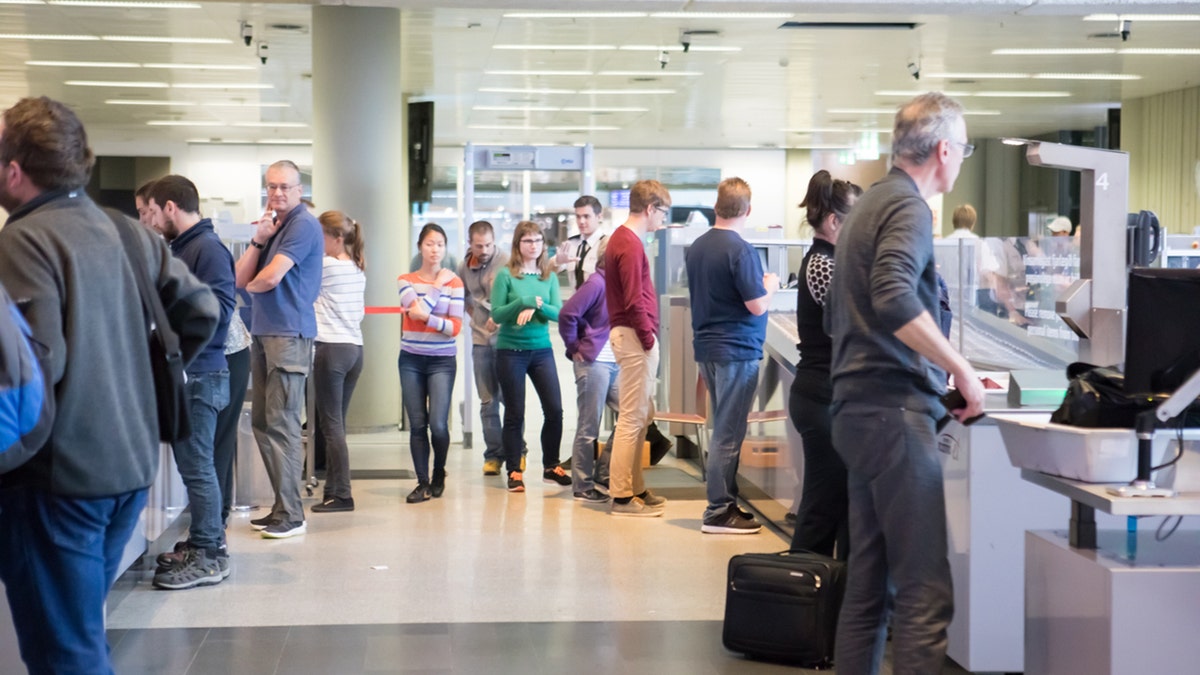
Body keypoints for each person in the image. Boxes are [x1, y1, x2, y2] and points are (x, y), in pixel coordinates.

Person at [0, 96, 218, 673]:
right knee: (80, 632)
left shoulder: (22, 242)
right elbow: (201, 310)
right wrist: (135, 379)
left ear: (15, 170)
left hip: (57, 479)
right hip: (128, 465)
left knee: (65, 653)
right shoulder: (128, 232)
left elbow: (34, 371)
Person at [826, 92, 986, 674]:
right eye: (963, 148)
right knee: (925, 590)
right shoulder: (910, 208)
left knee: (871, 588)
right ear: (944, 150)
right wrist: (961, 369)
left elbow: (845, 312)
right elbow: (893, 292)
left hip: (856, 413)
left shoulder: (870, 203)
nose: (962, 158)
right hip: (893, 416)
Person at [145, 175, 237, 589]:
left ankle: (210, 553)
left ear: (169, 207)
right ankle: (204, 543)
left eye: (147, 211)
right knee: (193, 467)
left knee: (198, 468)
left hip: (201, 374)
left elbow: (218, 310)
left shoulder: (207, 248)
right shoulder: (182, 248)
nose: (145, 220)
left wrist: (180, 349)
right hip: (190, 372)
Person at [234, 159, 324, 539]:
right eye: (272, 186)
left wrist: (246, 286)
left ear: (299, 190)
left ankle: (292, 514)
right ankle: (281, 507)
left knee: (283, 423)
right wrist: (258, 240)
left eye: (285, 186)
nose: (277, 193)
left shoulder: (303, 225)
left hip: (290, 336)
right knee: (262, 423)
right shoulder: (272, 227)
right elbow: (240, 276)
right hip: (264, 332)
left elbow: (267, 278)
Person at [684, 177, 777, 534]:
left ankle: (726, 502)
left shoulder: (697, 247)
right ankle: (718, 510)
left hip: (707, 347)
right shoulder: (741, 250)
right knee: (728, 431)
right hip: (737, 350)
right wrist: (770, 285)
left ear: (715, 206)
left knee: (721, 425)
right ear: (748, 210)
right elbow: (756, 306)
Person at [788, 170, 861, 557]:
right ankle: (801, 602)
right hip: (822, 399)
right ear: (834, 222)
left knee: (841, 505)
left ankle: (839, 602)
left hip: (830, 397)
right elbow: (853, 326)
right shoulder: (823, 264)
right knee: (821, 509)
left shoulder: (834, 262)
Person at [605, 179, 671, 517]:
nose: (663, 218)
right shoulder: (629, 244)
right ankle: (621, 496)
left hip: (630, 336)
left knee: (640, 416)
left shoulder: (623, 239)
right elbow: (633, 300)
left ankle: (636, 488)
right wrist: (648, 339)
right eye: (662, 211)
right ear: (650, 208)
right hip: (634, 337)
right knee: (632, 418)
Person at [491, 220, 571, 492]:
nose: (534, 245)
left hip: (541, 350)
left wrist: (537, 304)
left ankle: (551, 466)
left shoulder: (547, 276)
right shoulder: (505, 275)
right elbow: (497, 314)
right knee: (515, 413)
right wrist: (522, 302)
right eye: (528, 241)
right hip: (510, 351)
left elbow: (559, 314)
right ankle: (514, 470)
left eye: (538, 241)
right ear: (518, 245)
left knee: (555, 410)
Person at [397, 223, 464, 503]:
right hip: (411, 359)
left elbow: (454, 328)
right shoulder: (405, 279)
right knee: (417, 424)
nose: (435, 249)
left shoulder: (456, 283)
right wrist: (437, 287)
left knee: (438, 423)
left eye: (440, 244)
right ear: (420, 247)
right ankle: (422, 482)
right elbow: (416, 312)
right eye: (429, 244)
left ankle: (439, 472)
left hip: (442, 361)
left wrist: (429, 318)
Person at [310, 211, 367, 513]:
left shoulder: (325, 266)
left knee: (331, 427)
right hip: (354, 350)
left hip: (330, 350)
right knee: (336, 426)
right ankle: (332, 491)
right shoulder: (357, 269)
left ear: (337, 238)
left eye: (320, 236)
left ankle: (342, 494)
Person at [559, 236, 618, 504]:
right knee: (589, 425)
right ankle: (582, 484)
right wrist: (574, 346)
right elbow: (567, 314)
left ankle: (604, 472)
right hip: (594, 362)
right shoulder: (596, 282)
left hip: (615, 361)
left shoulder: (617, 284)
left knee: (634, 414)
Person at [458, 220, 515, 476]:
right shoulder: (464, 266)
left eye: (489, 244)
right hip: (480, 340)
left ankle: (517, 450)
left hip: (506, 340)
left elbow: (516, 296)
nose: (484, 250)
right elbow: (464, 296)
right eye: (479, 245)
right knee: (487, 400)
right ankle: (493, 455)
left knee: (510, 398)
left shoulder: (506, 262)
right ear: (470, 244)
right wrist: (473, 314)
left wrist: (501, 316)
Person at [555, 194, 607, 291]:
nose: (581, 221)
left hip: (598, 304)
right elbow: (550, 274)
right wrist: (558, 263)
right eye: (578, 217)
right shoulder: (571, 244)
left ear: (599, 217)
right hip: (576, 303)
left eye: (586, 216)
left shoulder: (606, 245)